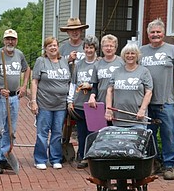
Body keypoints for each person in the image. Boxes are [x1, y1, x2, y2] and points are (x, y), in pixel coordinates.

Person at [140, 18, 174, 180]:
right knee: (148, 135)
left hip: (166, 101)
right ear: (148, 34)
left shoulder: (173, 50)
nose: (155, 35)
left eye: (158, 32)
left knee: (168, 133)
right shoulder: (141, 51)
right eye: (152, 32)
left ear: (163, 33)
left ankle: (169, 165)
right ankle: (153, 162)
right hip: (145, 103)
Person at [0, 29, 31, 174]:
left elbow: (27, 69)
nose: (10, 42)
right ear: (4, 40)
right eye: (7, 39)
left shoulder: (19, 54)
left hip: (14, 98)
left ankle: (3, 157)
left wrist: (24, 86)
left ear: (16, 40)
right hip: (0, 97)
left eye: (13, 39)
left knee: (10, 130)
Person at [30, 36, 71, 170]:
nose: (53, 48)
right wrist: (33, 101)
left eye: (55, 45)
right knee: (42, 132)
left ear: (58, 47)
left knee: (57, 133)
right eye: (50, 46)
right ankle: (40, 159)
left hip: (60, 105)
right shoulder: (41, 61)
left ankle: (55, 158)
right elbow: (35, 81)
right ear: (45, 48)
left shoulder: (64, 61)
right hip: (44, 104)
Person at [67, 35, 99, 168]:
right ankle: (82, 155)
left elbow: (100, 84)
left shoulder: (99, 63)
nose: (89, 50)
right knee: (81, 132)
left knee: (94, 132)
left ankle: (92, 157)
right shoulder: (79, 65)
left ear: (95, 48)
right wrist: (70, 101)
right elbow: (73, 84)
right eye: (86, 47)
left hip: (94, 104)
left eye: (91, 47)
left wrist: (91, 87)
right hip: (80, 103)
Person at [105, 42, 153, 128]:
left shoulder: (144, 71)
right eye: (127, 53)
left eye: (133, 53)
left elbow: (148, 92)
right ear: (123, 55)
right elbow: (109, 91)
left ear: (137, 55)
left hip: (137, 120)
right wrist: (109, 109)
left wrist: (142, 110)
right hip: (118, 120)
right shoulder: (117, 72)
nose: (130, 55)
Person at [88, 34, 124, 110]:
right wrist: (92, 96)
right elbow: (95, 86)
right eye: (106, 46)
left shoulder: (122, 63)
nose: (109, 48)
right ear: (102, 48)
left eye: (111, 46)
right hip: (101, 102)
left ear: (116, 48)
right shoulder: (97, 64)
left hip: (118, 103)